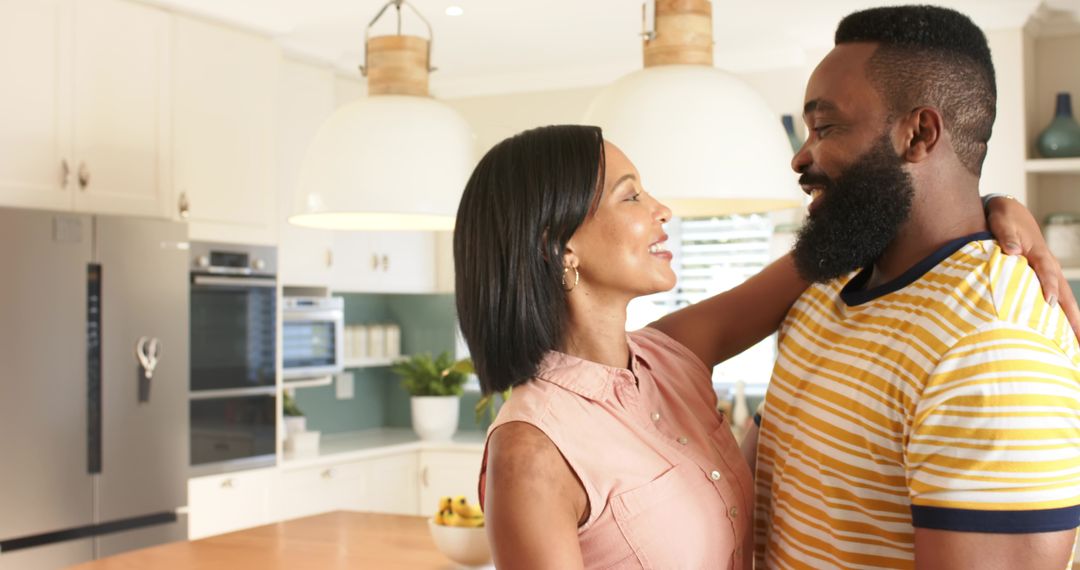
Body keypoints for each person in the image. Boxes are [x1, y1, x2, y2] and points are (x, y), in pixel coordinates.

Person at [453, 123, 1073, 568]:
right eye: (631, 194)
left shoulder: (669, 357)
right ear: (557, 247)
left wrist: (983, 206)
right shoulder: (529, 455)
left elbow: (819, 253)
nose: (661, 209)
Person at [753, 6, 1080, 569]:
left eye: (825, 127)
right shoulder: (824, 292)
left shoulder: (992, 349)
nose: (800, 157)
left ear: (919, 134)